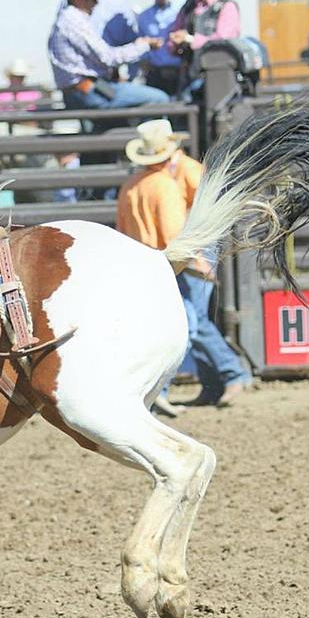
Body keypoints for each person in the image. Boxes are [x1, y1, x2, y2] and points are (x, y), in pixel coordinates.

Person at [117, 120, 250, 410]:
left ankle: (171, 387)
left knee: (192, 321)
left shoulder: (146, 183)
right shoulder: (168, 180)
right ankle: (222, 379)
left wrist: (198, 256)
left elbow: (205, 212)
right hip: (182, 249)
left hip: (189, 248)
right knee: (194, 320)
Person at [48, 0, 168, 113]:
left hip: (85, 90)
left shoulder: (67, 19)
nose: (97, 3)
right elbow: (108, 57)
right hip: (89, 91)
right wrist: (143, 46)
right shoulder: (74, 21)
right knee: (160, 99)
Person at [166, 0, 240, 97]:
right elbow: (173, 38)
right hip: (189, 77)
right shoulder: (188, 7)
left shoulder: (226, 7)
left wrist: (190, 39)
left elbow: (223, 43)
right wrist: (175, 42)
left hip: (218, 79)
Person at [134, 0, 183, 96]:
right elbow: (141, 47)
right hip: (155, 75)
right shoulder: (144, 17)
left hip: (180, 73)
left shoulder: (182, 8)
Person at [88, 0, 141, 78]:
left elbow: (130, 42)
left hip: (109, 76)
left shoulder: (120, 4)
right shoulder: (72, 3)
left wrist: (130, 77)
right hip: (83, 76)